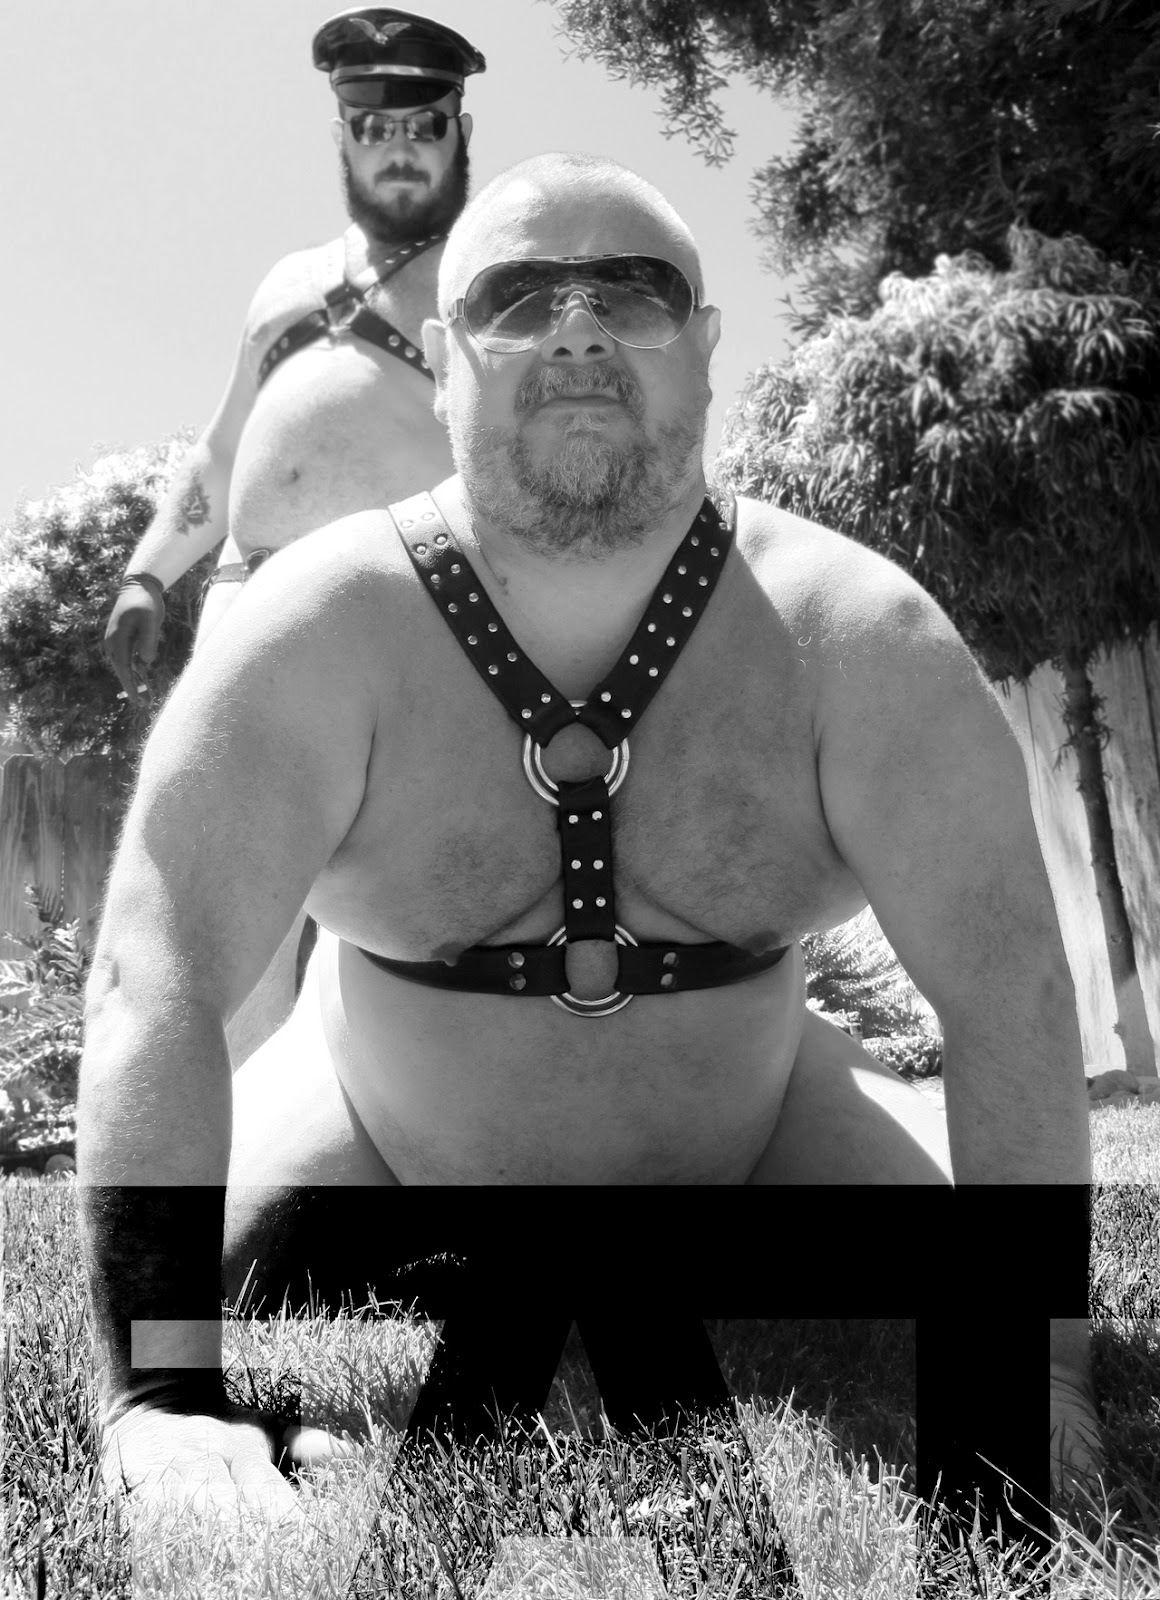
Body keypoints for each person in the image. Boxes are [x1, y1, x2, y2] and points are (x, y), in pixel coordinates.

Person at [78, 153, 1097, 1521]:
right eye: (515, 299)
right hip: (372, 1137)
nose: (574, 331)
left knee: (948, 1281)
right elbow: (157, 978)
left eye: (632, 292)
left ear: (707, 348)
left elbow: (1008, 990)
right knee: (222, 1268)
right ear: (443, 364)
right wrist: (161, 1401)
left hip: (765, 1137)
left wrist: (1043, 1378)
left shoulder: (860, 635)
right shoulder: (312, 633)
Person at [101, 7, 485, 1062]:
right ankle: (214, 1154)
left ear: (459, 131)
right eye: (373, 125)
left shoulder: (491, 281)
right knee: (212, 918)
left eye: (423, 123)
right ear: (342, 135)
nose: (398, 146)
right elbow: (222, 451)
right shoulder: (282, 284)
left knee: (418, 926)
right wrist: (147, 575)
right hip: (246, 612)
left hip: (416, 620)